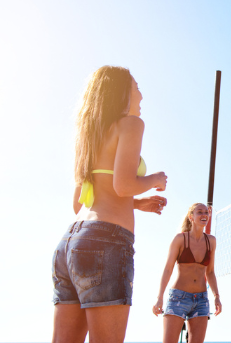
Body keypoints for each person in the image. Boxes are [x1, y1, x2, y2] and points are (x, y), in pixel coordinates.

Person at [52, 66, 168, 343]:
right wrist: (155, 179)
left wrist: (136, 204)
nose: (141, 95)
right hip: (107, 242)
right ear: (121, 92)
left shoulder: (89, 136)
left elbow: (80, 203)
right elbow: (123, 185)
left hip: (70, 243)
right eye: (136, 86)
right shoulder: (131, 124)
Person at [153, 203, 222, 343]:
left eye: (206, 213)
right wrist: (160, 297)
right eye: (200, 212)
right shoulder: (180, 239)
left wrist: (216, 296)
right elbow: (168, 269)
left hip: (201, 300)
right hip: (178, 297)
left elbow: (210, 272)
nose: (204, 215)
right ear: (191, 216)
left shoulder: (211, 241)